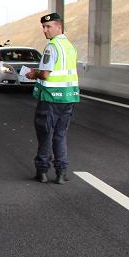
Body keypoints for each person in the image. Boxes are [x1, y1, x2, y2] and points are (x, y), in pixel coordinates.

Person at [24, 13, 79, 184]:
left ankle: (42, 171)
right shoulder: (69, 46)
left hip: (50, 98)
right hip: (68, 98)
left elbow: (46, 74)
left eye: (48, 27)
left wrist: (34, 73)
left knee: (45, 134)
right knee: (60, 135)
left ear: (59, 27)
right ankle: (61, 172)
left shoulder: (52, 47)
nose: (45, 30)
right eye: (43, 27)